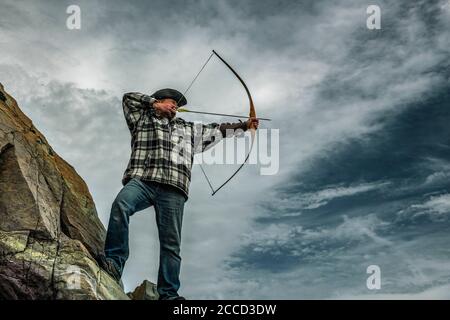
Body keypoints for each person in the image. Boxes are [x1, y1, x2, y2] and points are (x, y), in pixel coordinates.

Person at [98, 88, 258, 300]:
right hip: (144, 180)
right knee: (121, 204)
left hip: (174, 188)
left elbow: (218, 130)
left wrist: (245, 125)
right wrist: (154, 104)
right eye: (169, 102)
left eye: (175, 104)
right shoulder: (142, 118)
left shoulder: (188, 129)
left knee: (171, 244)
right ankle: (114, 263)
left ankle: (169, 295)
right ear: (158, 102)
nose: (173, 106)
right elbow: (129, 98)